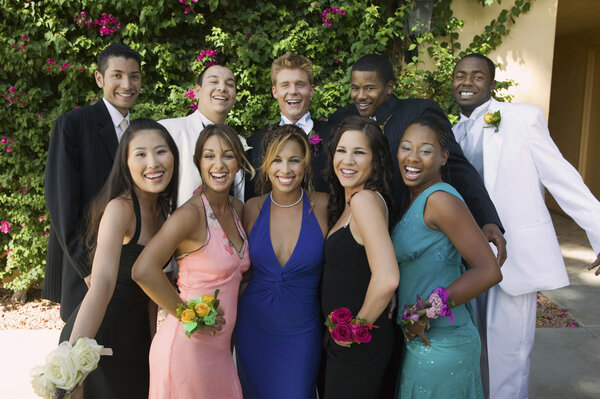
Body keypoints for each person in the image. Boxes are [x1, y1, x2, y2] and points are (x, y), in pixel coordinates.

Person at [451, 53, 600, 399]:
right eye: (461, 75)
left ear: (491, 84)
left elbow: (562, 178)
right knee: (475, 352)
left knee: (509, 356)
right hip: (468, 259)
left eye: (477, 76)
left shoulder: (520, 118)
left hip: (513, 257)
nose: (467, 82)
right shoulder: (451, 131)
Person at [59, 119, 179, 399]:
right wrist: (74, 362)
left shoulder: (166, 212)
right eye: (140, 154)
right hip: (98, 338)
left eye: (161, 151)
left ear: (173, 155)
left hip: (135, 339)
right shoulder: (120, 209)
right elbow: (101, 284)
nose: (153, 162)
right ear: (125, 163)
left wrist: (151, 346)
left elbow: (153, 291)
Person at [132, 124, 254, 398]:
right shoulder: (191, 214)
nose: (219, 164)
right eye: (209, 156)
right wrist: (193, 316)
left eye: (228, 155)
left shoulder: (238, 208)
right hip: (187, 349)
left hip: (220, 353)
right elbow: (143, 270)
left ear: (239, 161)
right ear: (198, 162)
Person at [392, 116, 502, 398]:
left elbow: (488, 270)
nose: (413, 157)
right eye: (406, 147)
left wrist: (424, 311)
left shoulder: (440, 200)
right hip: (422, 338)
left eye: (425, 150)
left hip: (442, 341)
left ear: (444, 157)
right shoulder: (418, 197)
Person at [43, 43, 142, 322]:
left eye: (134, 76)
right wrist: (89, 267)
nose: (127, 84)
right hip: (85, 267)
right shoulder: (73, 125)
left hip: (129, 267)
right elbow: (61, 203)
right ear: (100, 79)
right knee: (82, 355)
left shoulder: (140, 131)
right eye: (117, 75)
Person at [236, 125, 329, 398]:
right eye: (277, 160)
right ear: (266, 164)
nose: (285, 169)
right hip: (253, 327)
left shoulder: (325, 204)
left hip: (302, 332)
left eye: (294, 160)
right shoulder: (252, 207)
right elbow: (233, 265)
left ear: (306, 163)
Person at [320, 116, 399, 398]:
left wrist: (354, 331)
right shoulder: (350, 202)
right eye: (341, 151)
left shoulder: (365, 201)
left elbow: (387, 278)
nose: (348, 160)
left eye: (359, 152)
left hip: (359, 345)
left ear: (375, 160)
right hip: (345, 343)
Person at [245, 52, 332, 199]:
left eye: (300, 85)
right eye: (285, 85)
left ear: (311, 90)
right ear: (275, 91)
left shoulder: (334, 137)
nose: (293, 91)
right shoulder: (254, 144)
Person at [159, 64, 238, 206]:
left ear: (235, 96)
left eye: (229, 84)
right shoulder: (168, 130)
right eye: (213, 82)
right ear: (197, 91)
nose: (222, 88)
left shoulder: (238, 141)